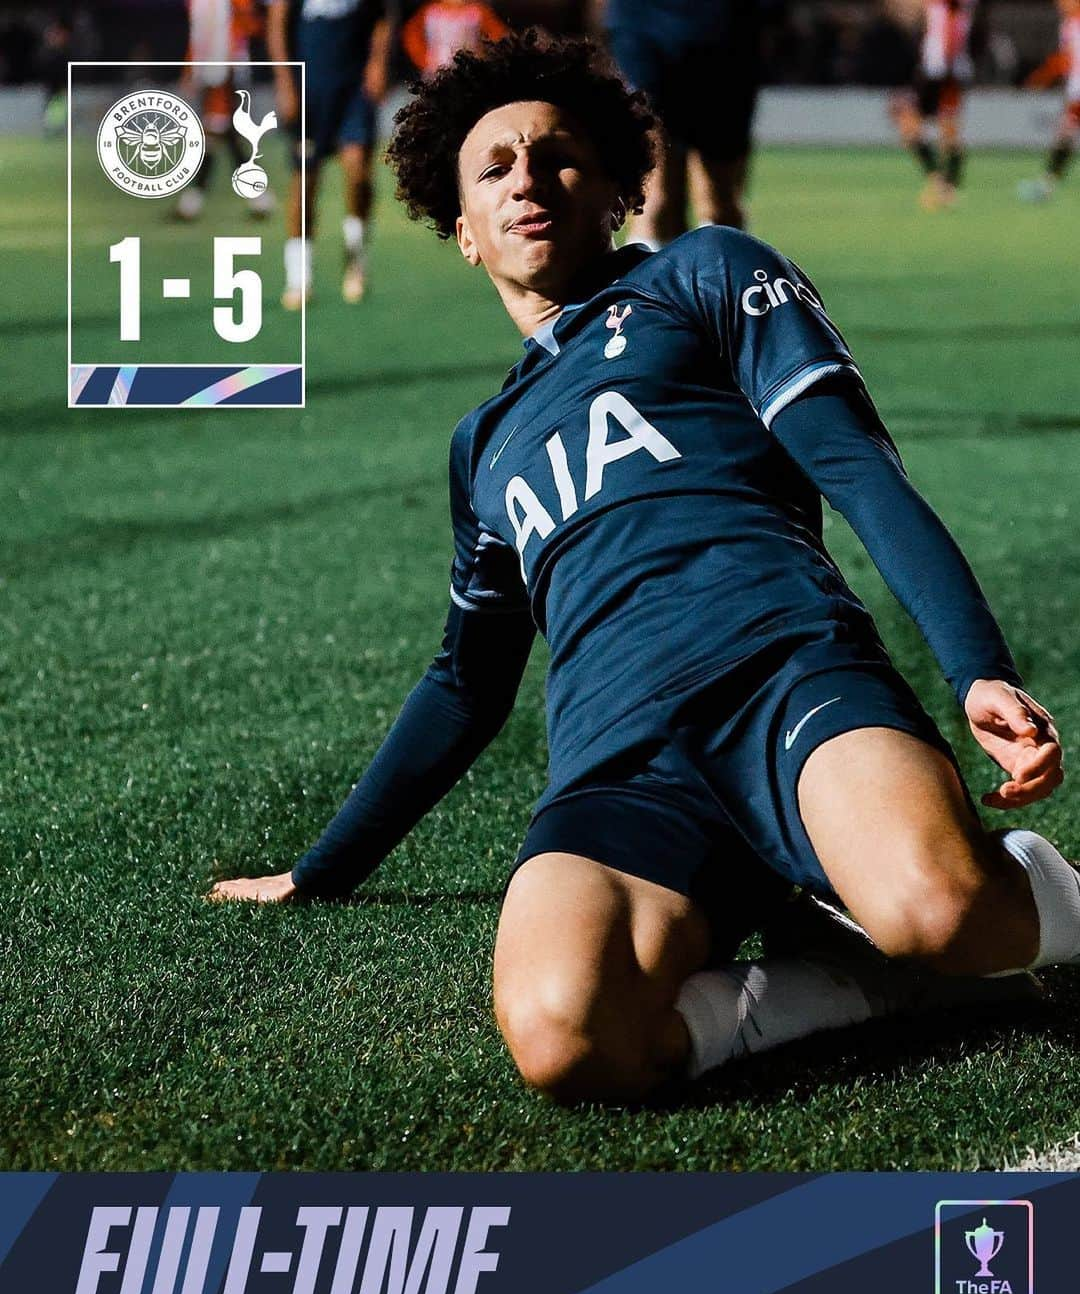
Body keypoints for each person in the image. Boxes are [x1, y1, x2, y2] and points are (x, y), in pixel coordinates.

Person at [212, 31, 1075, 1108]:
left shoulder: (706, 273)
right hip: (620, 765)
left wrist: (976, 669)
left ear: (619, 186)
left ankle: (1044, 894)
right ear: (465, 231)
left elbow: (857, 468)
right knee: (565, 1034)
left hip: (785, 683)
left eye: (559, 156)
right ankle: (868, 985)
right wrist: (322, 868)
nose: (527, 179)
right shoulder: (483, 446)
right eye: (495, 167)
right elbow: (465, 683)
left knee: (940, 908)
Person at [596, 0, 762, 239]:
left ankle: (722, 269)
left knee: (718, 203)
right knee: (656, 200)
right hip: (642, 29)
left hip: (725, 34)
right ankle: (653, 273)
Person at [266, 0, 391, 306]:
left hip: (354, 88)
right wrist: (284, 82)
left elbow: (383, 16)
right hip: (310, 87)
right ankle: (299, 277)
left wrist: (378, 63)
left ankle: (355, 263)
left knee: (359, 172)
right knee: (306, 180)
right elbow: (276, 22)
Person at [177, 0, 274, 221]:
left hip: (227, 70)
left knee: (215, 130)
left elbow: (250, 25)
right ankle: (257, 195)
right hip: (209, 71)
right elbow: (198, 35)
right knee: (223, 133)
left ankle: (193, 200)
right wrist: (190, 68)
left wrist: (230, 60)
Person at [892, 0, 979, 210]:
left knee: (911, 123)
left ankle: (941, 184)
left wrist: (947, 64)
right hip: (945, 71)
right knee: (947, 132)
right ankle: (946, 187)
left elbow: (950, 29)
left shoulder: (950, 7)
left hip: (939, 71)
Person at [1017, 0, 1080, 204]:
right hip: (1076, 90)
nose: (1059, 4)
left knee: (1065, 132)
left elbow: (1068, 59)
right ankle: (1047, 183)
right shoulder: (1069, 22)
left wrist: (1043, 76)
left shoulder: (1075, 22)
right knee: (1065, 132)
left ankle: (1047, 183)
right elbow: (1067, 58)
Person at [401, 0, 509, 80]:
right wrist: (425, 59)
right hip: (436, 72)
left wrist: (485, 58)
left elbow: (500, 36)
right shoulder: (431, 11)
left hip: (469, 71)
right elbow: (411, 36)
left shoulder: (476, 12)